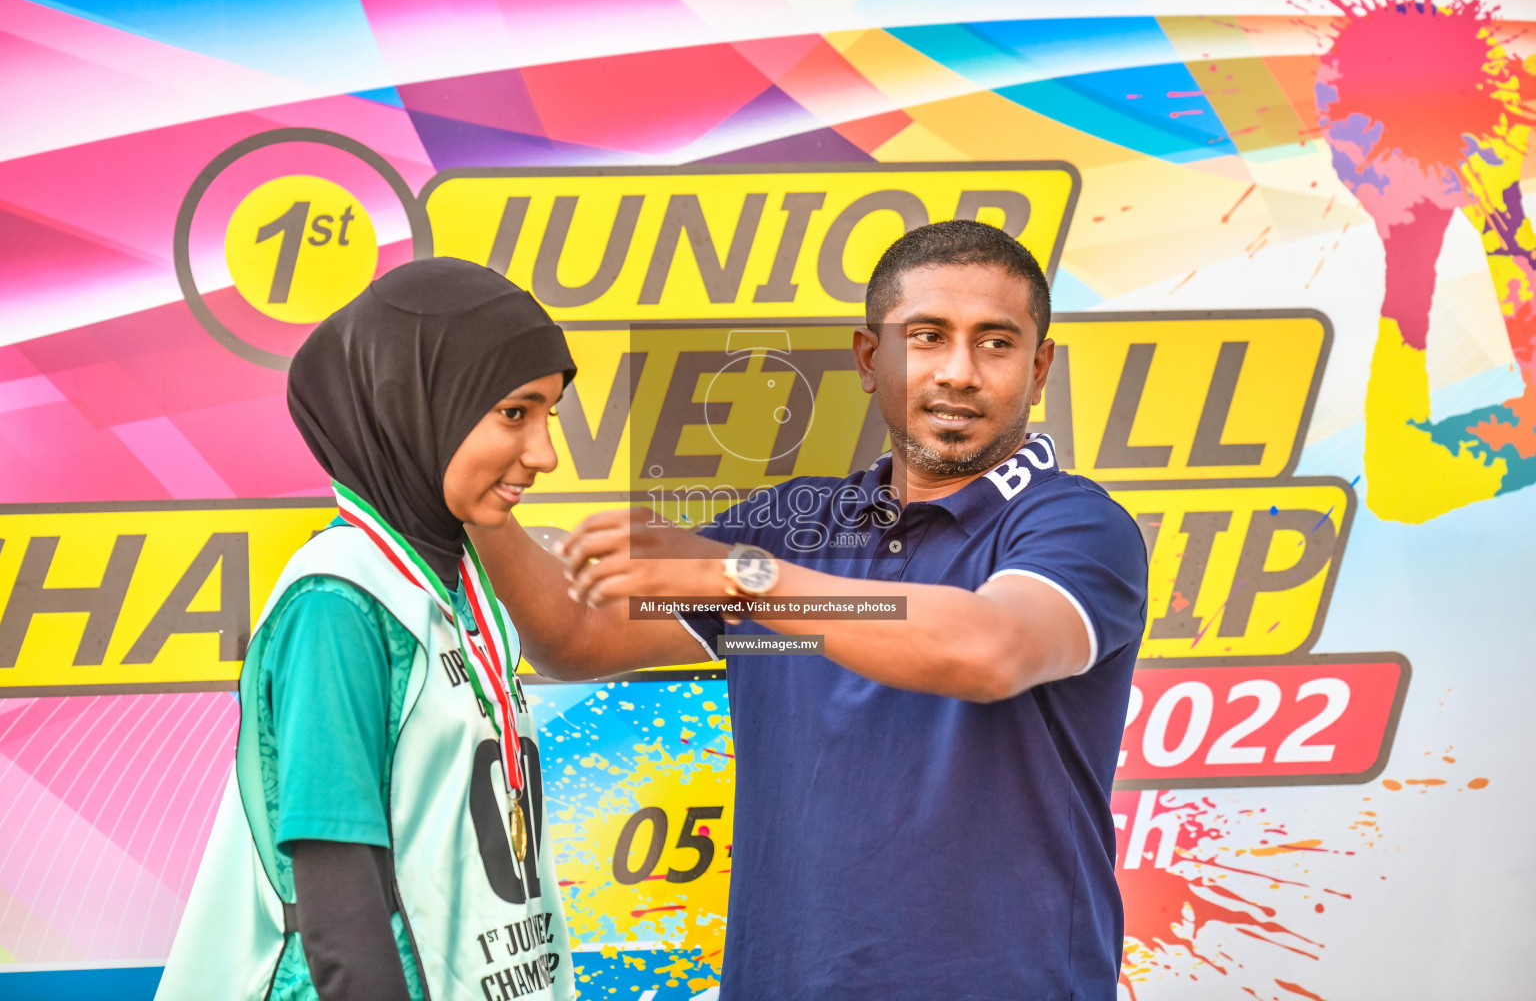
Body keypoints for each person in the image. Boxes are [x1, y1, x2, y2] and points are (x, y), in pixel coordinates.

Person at [471, 219, 1149, 1000]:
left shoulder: (1074, 522)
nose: (960, 372)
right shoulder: (790, 524)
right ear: (870, 359)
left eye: (996, 343)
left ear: (1039, 368)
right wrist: (477, 497)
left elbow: (991, 649)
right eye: (926, 336)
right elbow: (576, 638)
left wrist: (744, 577)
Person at [157, 258, 578, 1001]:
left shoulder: (461, 587)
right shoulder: (340, 603)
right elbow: (340, 913)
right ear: (415, 404)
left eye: (551, 415)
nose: (544, 453)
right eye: (516, 412)